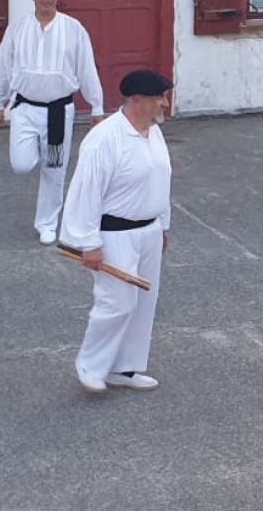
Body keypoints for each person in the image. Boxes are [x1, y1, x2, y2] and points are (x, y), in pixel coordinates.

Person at [61, 69, 174, 393]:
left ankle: (124, 368)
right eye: (159, 97)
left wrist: (162, 225)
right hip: (114, 235)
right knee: (117, 303)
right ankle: (91, 366)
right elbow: (86, 192)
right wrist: (88, 244)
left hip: (149, 230)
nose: (165, 104)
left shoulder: (154, 133)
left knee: (143, 302)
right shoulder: (104, 139)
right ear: (137, 100)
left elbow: (160, 180)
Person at [0, 0, 105, 245]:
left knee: (55, 170)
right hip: (25, 108)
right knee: (21, 164)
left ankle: (47, 224)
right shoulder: (18, 28)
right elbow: (4, 65)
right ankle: (41, 155)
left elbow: (86, 68)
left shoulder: (74, 29)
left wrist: (97, 106)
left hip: (58, 112)